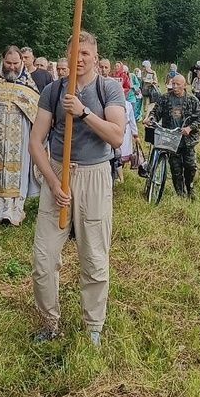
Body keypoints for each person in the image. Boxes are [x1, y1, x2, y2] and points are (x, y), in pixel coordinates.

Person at [29, 31, 127, 347]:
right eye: (75, 53)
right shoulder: (53, 91)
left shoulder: (108, 89)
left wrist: (83, 112)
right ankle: (49, 322)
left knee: (94, 257)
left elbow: (115, 136)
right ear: (68, 56)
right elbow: (35, 142)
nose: (80, 58)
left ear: (95, 57)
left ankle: (94, 326)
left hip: (95, 176)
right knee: (43, 259)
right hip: (58, 173)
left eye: (86, 53)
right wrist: (54, 182)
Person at [0, 46, 41, 226]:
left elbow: (36, 109)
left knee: (18, 173)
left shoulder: (28, 84)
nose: (11, 67)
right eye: (8, 63)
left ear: (22, 63)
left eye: (15, 63)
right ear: (2, 61)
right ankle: (1, 212)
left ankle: (16, 212)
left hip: (22, 135)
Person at [148, 73, 200, 197]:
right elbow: (156, 112)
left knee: (190, 167)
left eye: (178, 84)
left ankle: (190, 188)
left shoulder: (192, 100)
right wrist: (151, 118)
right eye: (173, 83)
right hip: (171, 139)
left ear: (184, 85)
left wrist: (190, 128)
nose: (175, 86)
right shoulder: (165, 98)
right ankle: (180, 194)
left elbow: (199, 119)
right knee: (175, 169)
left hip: (187, 140)